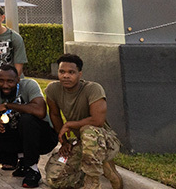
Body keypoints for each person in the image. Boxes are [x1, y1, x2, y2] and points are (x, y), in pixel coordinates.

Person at [43, 54, 123, 189]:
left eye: (71, 72)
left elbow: (97, 121)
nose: (66, 76)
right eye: (62, 72)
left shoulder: (93, 89)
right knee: (54, 180)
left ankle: (93, 181)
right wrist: (64, 142)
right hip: (82, 143)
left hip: (104, 141)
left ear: (79, 74)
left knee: (87, 130)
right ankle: (101, 168)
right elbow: (55, 114)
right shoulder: (53, 90)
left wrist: (69, 124)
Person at [0, 64, 58, 188]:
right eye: (1, 80)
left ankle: (32, 169)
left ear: (17, 80)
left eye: (10, 81)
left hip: (43, 138)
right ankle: (20, 159)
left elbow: (40, 111)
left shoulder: (29, 85)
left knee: (26, 119)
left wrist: (9, 106)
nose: (5, 85)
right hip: (17, 139)